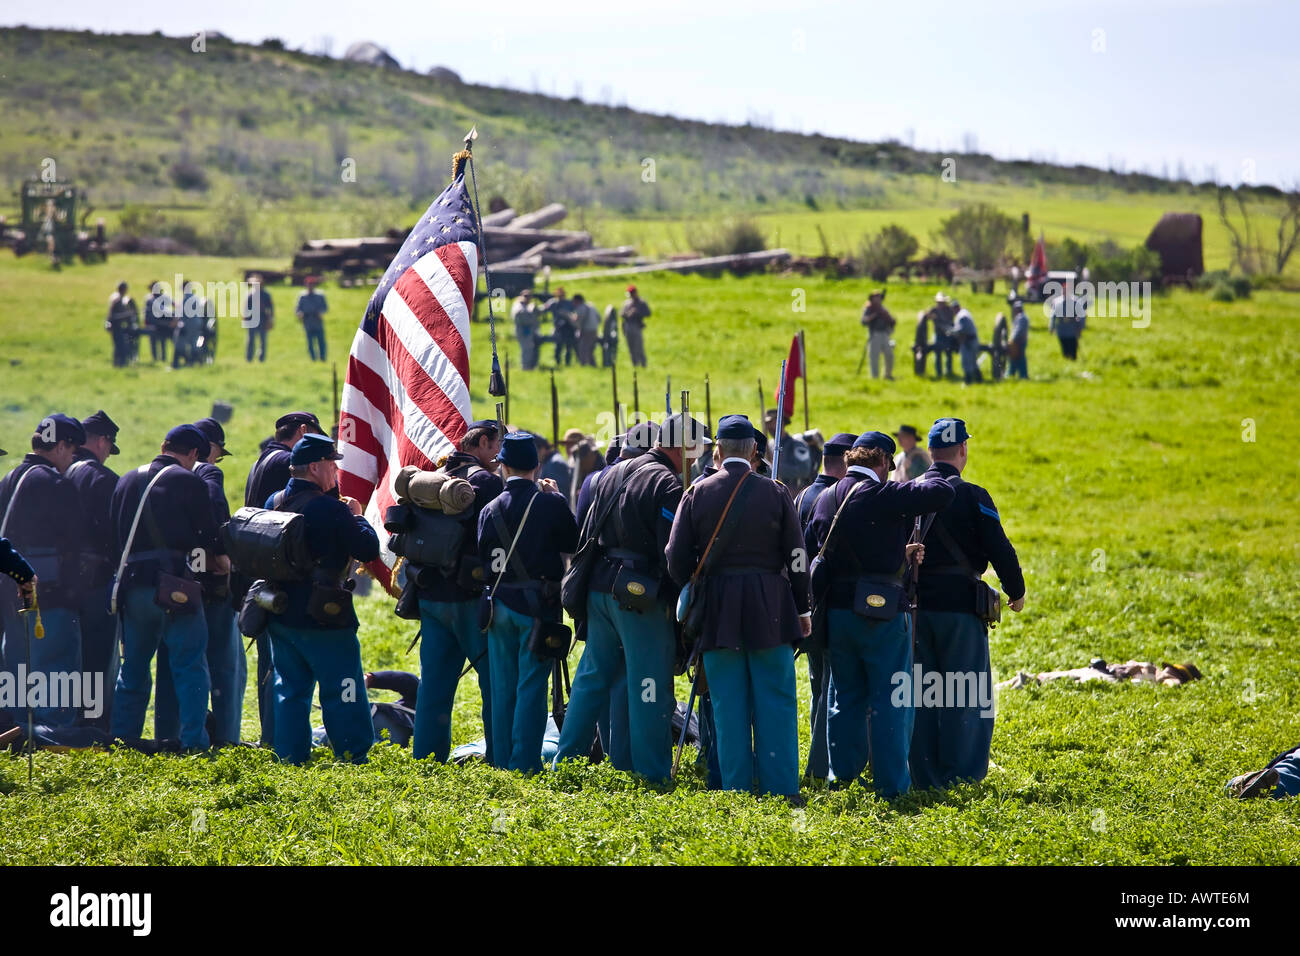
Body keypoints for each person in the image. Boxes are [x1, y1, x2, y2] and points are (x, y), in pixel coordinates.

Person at [554, 413, 707, 782]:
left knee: (592, 678)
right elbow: (672, 553)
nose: (696, 459)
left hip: (599, 589)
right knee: (649, 683)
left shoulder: (611, 472)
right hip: (640, 596)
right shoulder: (667, 483)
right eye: (695, 450)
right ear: (681, 446)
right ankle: (652, 772)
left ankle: (566, 763)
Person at [666, 414, 810, 798]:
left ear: (717, 451)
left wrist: (694, 586)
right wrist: (803, 608)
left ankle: (736, 790)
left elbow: (674, 557)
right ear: (753, 452)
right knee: (776, 702)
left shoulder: (696, 492)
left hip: (717, 611)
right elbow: (797, 556)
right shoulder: (777, 492)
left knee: (728, 706)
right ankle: (781, 789)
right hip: (772, 608)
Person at [806, 431, 954, 798]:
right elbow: (944, 493)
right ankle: (891, 787)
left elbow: (811, 548)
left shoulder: (826, 498)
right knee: (892, 699)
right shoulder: (885, 495)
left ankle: (843, 779)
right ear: (885, 462)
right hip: (882, 612)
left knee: (845, 696)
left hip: (837, 613)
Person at [910, 418, 1026, 791]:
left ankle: (924, 776)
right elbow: (999, 548)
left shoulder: (907, 492)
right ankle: (962, 778)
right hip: (961, 607)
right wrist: (1015, 590)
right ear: (962, 450)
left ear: (930, 452)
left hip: (914, 609)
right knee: (966, 693)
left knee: (921, 693)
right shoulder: (975, 496)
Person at [261, 434, 378, 764]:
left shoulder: (275, 501)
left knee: (290, 689)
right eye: (331, 463)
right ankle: (352, 753)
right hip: (324, 613)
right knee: (344, 685)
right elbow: (366, 548)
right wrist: (356, 516)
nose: (335, 471)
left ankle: (290, 756)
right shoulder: (329, 508)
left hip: (281, 608)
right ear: (314, 467)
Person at [109, 425, 223, 751]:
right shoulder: (189, 481)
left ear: (163, 445)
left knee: (132, 670)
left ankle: (124, 739)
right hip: (173, 585)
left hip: (132, 585)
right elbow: (208, 535)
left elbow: (114, 536)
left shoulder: (126, 479)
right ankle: (193, 743)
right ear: (193, 455)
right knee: (189, 666)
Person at [477, 432, 578, 773]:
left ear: (502, 466)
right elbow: (572, 541)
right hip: (537, 606)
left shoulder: (488, 509)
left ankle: (503, 761)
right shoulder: (549, 504)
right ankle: (524, 764)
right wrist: (559, 499)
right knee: (532, 687)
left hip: (497, 605)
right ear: (537, 466)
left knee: (502, 687)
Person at [410, 420, 503, 763]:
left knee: (434, 685)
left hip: (430, 593)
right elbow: (497, 538)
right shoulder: (486, 483)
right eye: (496, 445)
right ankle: (499, 757)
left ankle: (427, 759)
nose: (499, 453)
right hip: (470, 596)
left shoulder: (432, 477)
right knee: (494, 682)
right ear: (480, 442)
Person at [156, 418, 244, 746]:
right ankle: (226, 737)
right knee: (225, 667)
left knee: (172, 664)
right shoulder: (208, 473)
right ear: (206, 449)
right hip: (210, 584)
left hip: (172, 582)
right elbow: (217, 519)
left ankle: (168, 735)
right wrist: (221, 556)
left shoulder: (159, 476)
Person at [241, 410, 323, 746]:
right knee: (283, 666)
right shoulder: (286, 462)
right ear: (303, 431)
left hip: (265, 571)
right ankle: (279, 737)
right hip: (283, 574)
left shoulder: (262, 460)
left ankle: (273, 736)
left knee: (271, 664)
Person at [0, 415, 87, 728]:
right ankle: (54, 734)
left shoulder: (8, 479)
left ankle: (17, 732)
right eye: (72, 449)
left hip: (9, 589)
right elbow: (74, 539)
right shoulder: (56, 483)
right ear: (60, 446)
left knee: (18, 666)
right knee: (55, 665)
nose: (72, 457)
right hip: (47, 589)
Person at [792, 430, 852, 782]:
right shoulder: (839, 498)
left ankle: (819, 765)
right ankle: (823, 767)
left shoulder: (802, 496)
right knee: (834, 689)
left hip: (808, 606)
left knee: (819, 688)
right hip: (834, 605)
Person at [66, 411, 122, 731]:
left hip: (59, 581)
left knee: (66, 656)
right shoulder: (104, 479)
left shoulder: (58, 473)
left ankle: (67, 720)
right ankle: (95, 723)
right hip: (97, 580)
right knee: (98, 658)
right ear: (102, 441)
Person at [316, 671, 420, 750]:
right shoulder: (424, 695)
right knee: (321, 736)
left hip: (389, 741)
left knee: (355, 745)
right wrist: (369, 679)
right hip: (374, 718)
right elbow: (409, 681)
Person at [763, 410, 818, 496]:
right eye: (767, 423)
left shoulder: (797, 445)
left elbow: (804, 470)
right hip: (777, 494)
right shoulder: (769, 445)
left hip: (797, 494)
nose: (768, 426)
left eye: (771, 422)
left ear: (781, 422)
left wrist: (776, 468)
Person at [861, 289, 896, 380]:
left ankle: (887, 375)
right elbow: (864, 321)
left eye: (879, 297)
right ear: (872, 299)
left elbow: (890, 321)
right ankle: (874, 377)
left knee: (889, 355)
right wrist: (874, 315)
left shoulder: (883, 309)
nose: (878, 299)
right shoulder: (869, 309)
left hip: (885, 334)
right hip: (874, 334)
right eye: (876, 297)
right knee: (874, 357)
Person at [105, 281, 139, 368]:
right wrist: (128, 314)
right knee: (119, 346)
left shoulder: (120, 300)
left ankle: (120, 364)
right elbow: (112, 316)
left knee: (120, 346)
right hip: (116, 327)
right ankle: (119, 364)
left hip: (119, 327)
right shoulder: (117, 301)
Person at [296, 276, 328, 362]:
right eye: (308, 284)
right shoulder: (302, 296)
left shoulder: (320, 295)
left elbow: (325, 307)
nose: (310, 286)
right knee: (310, 343)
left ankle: (322, 358)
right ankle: (313, 358)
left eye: (312, 284)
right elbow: (298, 309)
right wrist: (300, 314)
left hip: (317, 321)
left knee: (321, 341)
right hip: (307, 321)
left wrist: (321, 313)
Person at [544, 286, 577, 367]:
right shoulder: (552, 303)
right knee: (558, 346)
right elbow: (543, 309)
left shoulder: (569, 303)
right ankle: (558, 362)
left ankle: (567, 363)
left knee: (568, 347)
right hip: (558, 328)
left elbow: (574, 314)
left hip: (568, 328)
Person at [951, 297, 983, 384]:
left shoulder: (961, 316)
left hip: (968, 341)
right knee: (973, 361)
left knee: (966, 362)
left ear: (956, 308)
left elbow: (961, 329)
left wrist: (951, 331)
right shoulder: (965, 313)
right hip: (972, 340)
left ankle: (968, 381)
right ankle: (979, 379)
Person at [244, 274, 274, 363]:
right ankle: (249, 357)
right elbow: (246, 308)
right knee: (250, 340)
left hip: (263, 318)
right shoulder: (250, 294)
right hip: (252, 318)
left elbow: (270, 308)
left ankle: (262, 358)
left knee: (263, 340)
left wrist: (270, 319)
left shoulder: (266, 295)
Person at [1049, 287, 1086, 360]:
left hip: (1072, 329)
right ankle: (1066, 362)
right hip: (1062, 329)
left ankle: (1073, 361)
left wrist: (1080, 326)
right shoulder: (1057, 301)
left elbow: (1082, 315)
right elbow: (1053, 315)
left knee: (1072, 348)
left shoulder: (1075, 301)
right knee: (1064, 347)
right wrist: (1051, 327)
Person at [142, 280, 173, 363]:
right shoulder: (149, 299)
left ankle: (161, 358)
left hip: (161, 324)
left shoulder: (160, 298)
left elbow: (173, 305)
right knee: (155, 342)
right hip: (154, 323)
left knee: (161, 341)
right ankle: (156, 358)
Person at [620, 285, 650, 368]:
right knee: (631, 347)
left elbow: (648, 313)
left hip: (637, 326)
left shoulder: (641, 302)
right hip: (628, 327)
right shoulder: (627, 303)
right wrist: (628, 313)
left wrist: (637, 312)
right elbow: (621, 314)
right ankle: (635, 365)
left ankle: (643, 364)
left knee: (639, 347)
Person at [926, 292, 955, 378]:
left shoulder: (949, 310)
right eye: (939, 302)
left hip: (947, 334)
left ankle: (949, 371)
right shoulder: (934, 310)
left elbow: (951, 321)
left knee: (948, 353)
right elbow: (926, 316)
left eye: (942, 302)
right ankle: (939, 373)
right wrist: (931, 316)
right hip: (938, 334)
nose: (940, 304)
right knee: (937, 354)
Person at [511, 290, 542, 371]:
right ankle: (526, 367)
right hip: (523, 331)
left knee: (529, 349)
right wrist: (531, 314)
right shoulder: (518, 306)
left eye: (529, 296)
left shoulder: (525, 306)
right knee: (526, 349)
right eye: (525, 296)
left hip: (528, 331)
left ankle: (529, 367)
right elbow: (522, 317)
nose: (527, 298)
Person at [573, 293, 602, 367]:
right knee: (590, 349)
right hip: (594, 330)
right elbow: (599, 318)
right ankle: (593, 365)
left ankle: (584, 365)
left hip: (586, 331)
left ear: (577, 301)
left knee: (583, 349)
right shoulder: (592, 307)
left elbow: (577, 321)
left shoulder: (580, 308)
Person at [1008, 297, 1030, 379]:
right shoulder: (1021, 317)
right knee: (1014, 359)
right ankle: (1012, 373)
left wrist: (1012, 340)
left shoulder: (1021, 318)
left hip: (1019, 341)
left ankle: (1023, 375)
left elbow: (1018, 330)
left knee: (1020, 359)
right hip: (1019, 341)